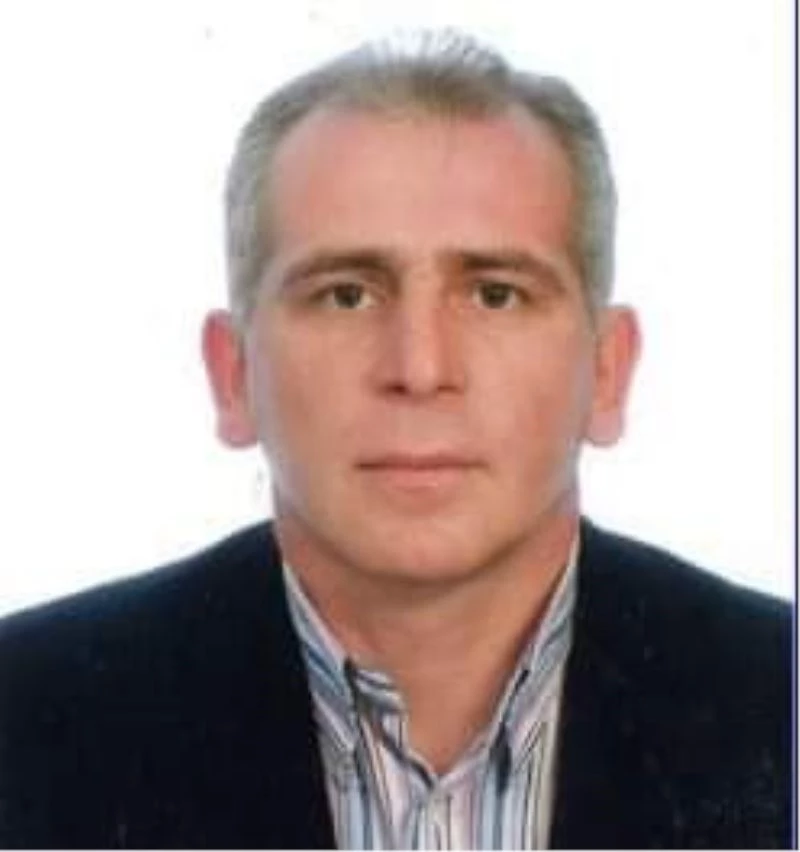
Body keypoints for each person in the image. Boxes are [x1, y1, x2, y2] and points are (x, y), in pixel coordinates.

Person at [0, 30, 791, 849]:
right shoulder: (25, 718)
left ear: (608, 371)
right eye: (346, 295)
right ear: (233, 375)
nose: (420, 368)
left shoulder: (777, 695)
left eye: (495, 294)